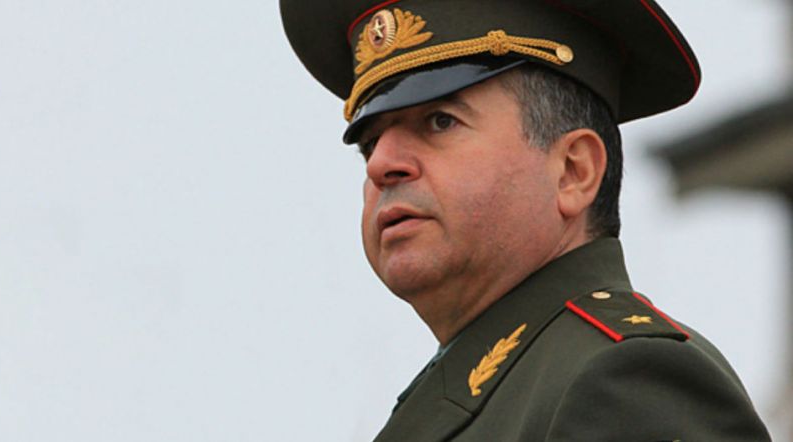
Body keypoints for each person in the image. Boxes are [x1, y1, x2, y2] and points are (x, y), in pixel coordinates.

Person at [281, 1, 771, 440]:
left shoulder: (629, 381)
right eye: (370, 143)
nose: (380, 164)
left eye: (440, 121)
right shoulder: (477, 396)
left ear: (573, 172)